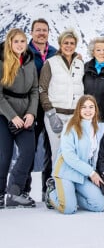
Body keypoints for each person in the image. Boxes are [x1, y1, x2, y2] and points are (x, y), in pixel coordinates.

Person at [45, 95, 104, 214]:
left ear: (95, 109)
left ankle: (71, 196)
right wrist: (92, 172)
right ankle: (51, 194)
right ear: (78, 109)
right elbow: (69, 156)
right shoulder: (71, 126)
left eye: (91, 107)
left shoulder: (97, 128)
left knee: (99, 205)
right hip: (66, 172)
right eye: (84, 107)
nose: (88, 110)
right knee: (69, 209)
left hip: (82, 175)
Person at [0, 28, 38, 208]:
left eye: (23, 41)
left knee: (28, 152)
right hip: (4, 114)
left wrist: (31, 113)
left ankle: (14, 192)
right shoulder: (2, 61)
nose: (20, 45)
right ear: (9, 43)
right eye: (16, 41)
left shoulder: (30, 61)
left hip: (26, 115)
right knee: (4, 156)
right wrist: (12, 116)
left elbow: (34, 90)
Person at [39, 29, 84, 166]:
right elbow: (42, 89)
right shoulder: (50, 63)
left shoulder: (80, 64)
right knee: (57, 151)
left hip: (74, 116)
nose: (69, 46)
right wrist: (51, 113)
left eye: (72, 43)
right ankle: (57, 183)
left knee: (74, 152)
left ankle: (70, 184)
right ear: (60, 44)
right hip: (56, 114)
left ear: (75, 45)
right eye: (66, 43)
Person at [26, 18, 57, 203]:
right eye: (38, 30)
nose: (41, 33)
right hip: (30, 108)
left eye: (44, 30)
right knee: (29, 150)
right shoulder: (25, 51)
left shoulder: (54, 53)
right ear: (31, 32)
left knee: (51, 150)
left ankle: (48, 190)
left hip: (50, 107)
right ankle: (24, 190)